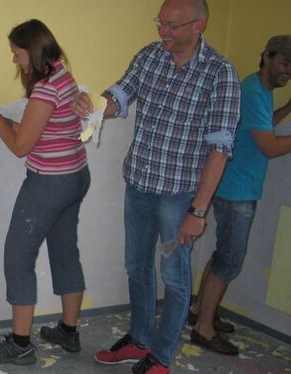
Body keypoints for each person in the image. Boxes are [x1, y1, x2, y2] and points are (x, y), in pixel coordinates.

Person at [72, 0, 240, 372]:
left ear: (199, 26)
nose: (162, 31)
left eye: (172, 26)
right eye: (160, 22)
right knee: (136, 266)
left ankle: (161, 357)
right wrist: (96, 107)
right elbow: (121, 94)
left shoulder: (219, 73)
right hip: (140, 184)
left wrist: (198, 211)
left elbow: (220, 149)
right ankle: (139, 339)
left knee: (175, 277)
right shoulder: (151, 56)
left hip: (179, 197)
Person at [0, 19, 90, 366]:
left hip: (50, 183)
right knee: (66, 252)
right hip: (74, 176)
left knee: (17, 257)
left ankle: (20, 344)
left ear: (34, 52)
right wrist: (3, 121)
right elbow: (38, 130)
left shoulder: (45, 89)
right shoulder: (62, 76)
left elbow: (22, 146)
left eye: (17, 54)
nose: (14, 61)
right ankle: (68, 331)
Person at [188, 34, 291, 355]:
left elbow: (260, 127)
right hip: (236, 191)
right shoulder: (252, 91)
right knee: (230, 261)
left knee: (223, 256)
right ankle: (204, 329)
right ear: (267, 55)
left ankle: (198, 313)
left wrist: (287, 108)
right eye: (285, 63)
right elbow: (270, 146)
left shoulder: (257, 89)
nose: (289, 71)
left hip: (234, 185)